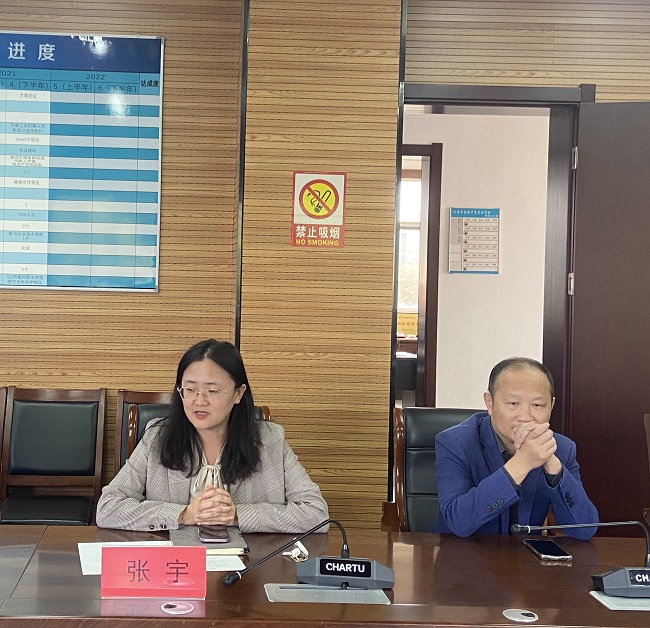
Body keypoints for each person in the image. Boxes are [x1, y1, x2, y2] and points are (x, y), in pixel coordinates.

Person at [96, 339, 329, 533]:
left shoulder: (270, 440)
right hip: (176, 564)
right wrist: (183, 514)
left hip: (249, 564)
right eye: (190, 389)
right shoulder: (156, 437)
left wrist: (236, 515)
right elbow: (108, 508)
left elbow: (316, 513)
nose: (199, 401)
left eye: (212, 391)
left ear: (238, 393)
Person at [430, 357, 598, 539]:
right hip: (460, 553)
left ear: (551, 406)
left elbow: (584, 530)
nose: (525, 416)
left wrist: (551, 463)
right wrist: (522, 463)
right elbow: (458, 521)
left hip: (526, 554)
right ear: (489, 403)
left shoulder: (561, 448)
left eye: (538, 405)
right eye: (513, 404)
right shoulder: (455, 442)